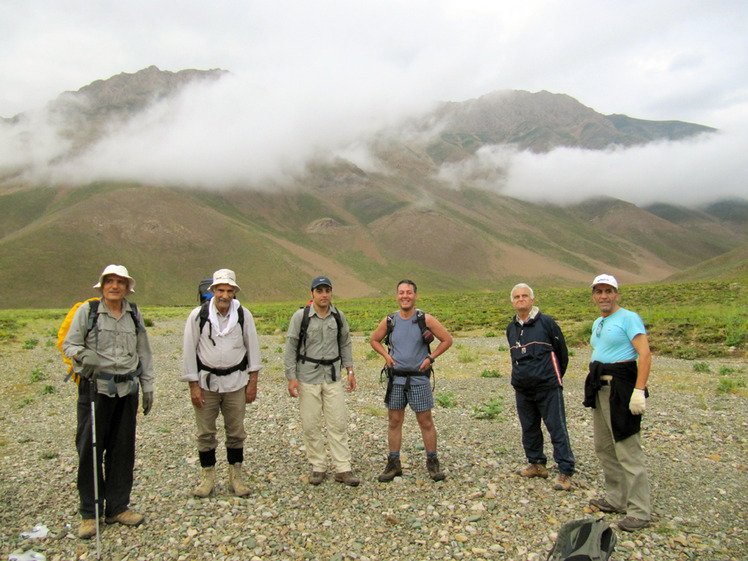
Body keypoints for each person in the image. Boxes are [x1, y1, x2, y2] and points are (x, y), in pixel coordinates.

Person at [63, 264, 154, 540]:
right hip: (95, 389)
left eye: (120, 282)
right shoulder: (87, 312)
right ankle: (89, 513)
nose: (114, 286)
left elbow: (144, 353)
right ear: (102, 286)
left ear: (127, 287)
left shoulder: (134, 314)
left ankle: (117, 507)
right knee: (90, 449)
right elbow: (69, 344)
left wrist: (147, 386)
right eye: (109, 281)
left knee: (122, 450)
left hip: (127, 390)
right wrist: (81, 356)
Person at [182, 269, 262, 498]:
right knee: (205, 432)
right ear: (213, 291)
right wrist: (193, 386)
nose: (224, 295)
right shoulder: (197, 316)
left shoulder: (244, 315)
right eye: (220, 290)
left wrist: (252, 382)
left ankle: (235, 476)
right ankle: (207, 477)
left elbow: (253, 348)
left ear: (235, 293)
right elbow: (189, 352)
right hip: (206, 384)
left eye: (229, 290)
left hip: (236, 382)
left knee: (236, 431)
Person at [584, 274, 652, 532]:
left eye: (608, 291)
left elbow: (644, 354)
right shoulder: (598, 322)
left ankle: (640, 510)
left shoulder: (628, 318)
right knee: (604, 446)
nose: (604, 296)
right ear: (593, 295)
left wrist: (639, 391)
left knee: (626, 446)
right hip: (600, 387)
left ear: (617, 294)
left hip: (620, 387)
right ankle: (616, 498)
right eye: (599, 291)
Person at [370, 279, 453, 482]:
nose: (405, 296)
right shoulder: (390, 320)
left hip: (419, 379)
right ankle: (393, 463)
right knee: (394, 421)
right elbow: (374, 339)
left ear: (415, 296)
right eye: (401, 292)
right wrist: (386, 356)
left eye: (409, 292)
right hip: (396, 379)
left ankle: (432, 462)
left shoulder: (425, 319)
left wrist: (430, 358)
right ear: (397, 296)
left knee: (425, 421)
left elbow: (447, 339)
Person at [284, 276, 359, 486]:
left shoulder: (338, 317)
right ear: (312, 294)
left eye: (327, 290)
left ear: (331, 292)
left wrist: (350, 371)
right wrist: (291, 378)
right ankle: (318, 466)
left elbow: (345, 344)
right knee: (311, 424)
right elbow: (290, 347)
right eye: (319, 291)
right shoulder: (301, 317)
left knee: (338, 422)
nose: (324, 294)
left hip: (333, 377)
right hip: (307, 377)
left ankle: (343, 468)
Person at [507, 283, 575, 491]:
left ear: (533, 299)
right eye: (517, 297)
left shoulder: (546, 323)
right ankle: (536, 463)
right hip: (523, 388)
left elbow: (561, 353)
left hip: (548, 386)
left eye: (525, 296)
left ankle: (565, 470)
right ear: (512, 302)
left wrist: (553, 377)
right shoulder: (512, 328)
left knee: (556, 427)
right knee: (529, 427)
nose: (521, 299)